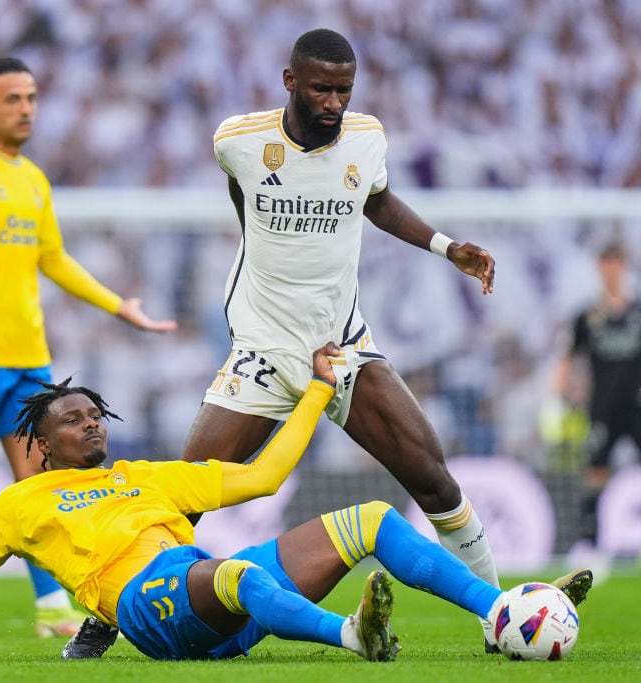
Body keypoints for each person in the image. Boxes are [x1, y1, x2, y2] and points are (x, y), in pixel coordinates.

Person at [64, 26, 586, 657]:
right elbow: (245, 202)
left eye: (344, 89)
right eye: (322, 89)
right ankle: (107, 616)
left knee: (433, 477)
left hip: (342, 348)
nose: (335, 103)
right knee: (185, 496)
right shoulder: (239, 140)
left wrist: (447, 248)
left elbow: (380, 202)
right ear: (291, 82)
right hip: (262, 350)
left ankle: (499, 618)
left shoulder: (366, 138)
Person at [0, 344, 577, 665]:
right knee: (223, 571)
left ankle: (499, 606)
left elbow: (261, 479)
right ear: (43, 443)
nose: (91, 423)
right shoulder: (23, 504)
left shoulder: (154, 475)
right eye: (72, 419)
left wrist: (319, 391)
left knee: (368, 521)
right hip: (147, 606)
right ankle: (352, 636)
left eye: (95, 413)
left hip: (214, 593)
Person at [0, 56, 176, 641]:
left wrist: (117, 305)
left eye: (31, 98)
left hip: (29, 357)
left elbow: (53, 259)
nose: (25, 108)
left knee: (40, 479)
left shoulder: (33, 179)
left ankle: (53, 604)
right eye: (12, 99)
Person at [553, 241, 641, 562]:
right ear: (599, 268)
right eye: (605, 264)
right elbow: (568, 356)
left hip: (637, 405)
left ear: (624, 267)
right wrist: (561, 392)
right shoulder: (587, 317)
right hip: (603, 407)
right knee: (595, 473)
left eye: (616, 264)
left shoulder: (638, 312)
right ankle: (590, 545)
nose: (611, 271)